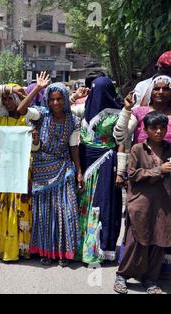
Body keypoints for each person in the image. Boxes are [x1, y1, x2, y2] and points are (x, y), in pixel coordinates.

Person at [0, 72, 50, 261]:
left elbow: (36, 147)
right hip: (4, 169)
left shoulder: (28, 117)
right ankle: (6, 247)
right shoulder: (1, 117)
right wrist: (10, 88)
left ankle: (23, 249)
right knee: (4, 206)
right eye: (5, 98)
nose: (7, 102)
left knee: (22, 207)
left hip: (24, 169)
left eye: (10, 98)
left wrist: (35, 141)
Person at [114, 111, 171, 294]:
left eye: (162, 127)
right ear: (146, 129)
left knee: (159, 242)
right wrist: (158, 170)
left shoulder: (169, 149)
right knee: (135, 242)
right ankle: (122, 276)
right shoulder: (138, 149)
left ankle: (150, 280)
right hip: (141, 203)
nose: (159, 131)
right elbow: (133, 174)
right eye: (154, 127)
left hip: (163, 203)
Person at [28, 83, 83, 267]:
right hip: (42, 168)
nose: (55, 102)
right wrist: (37, 88)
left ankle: (63, 252)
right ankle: (46, 252)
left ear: (66, 100)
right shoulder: (41, 115)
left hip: (64, 167)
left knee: (66, 210)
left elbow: (74, 147)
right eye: (51, 99)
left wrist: (79, 171)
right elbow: (21, 110)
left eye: (59, 99)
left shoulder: (74, 120)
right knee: (45, 213)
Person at [75, 77, 124, 264]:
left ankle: (97, 249)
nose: (98, 93)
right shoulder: (83, 109)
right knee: (83, 204)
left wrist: (120, 172)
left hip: (105, 162)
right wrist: (74, 97)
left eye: (102, 90)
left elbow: (121, 144)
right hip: (84, 161)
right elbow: (61, 110)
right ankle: (80, 247)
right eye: (95, 89)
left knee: (101, 204)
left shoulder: (118, 115)